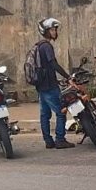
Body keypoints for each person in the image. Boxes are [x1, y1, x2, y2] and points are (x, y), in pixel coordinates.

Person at [31, 18, 74, 149]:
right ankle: (60, 139)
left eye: (55, 29)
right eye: (52, 30)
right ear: (45, 31)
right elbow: (53, 64)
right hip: (49, 86)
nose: (54, 32)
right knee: (61, 112)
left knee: (44, 114)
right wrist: (67, 77)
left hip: (41, 86)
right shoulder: (47, 46)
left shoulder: (39, 46)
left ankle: (48, 141)